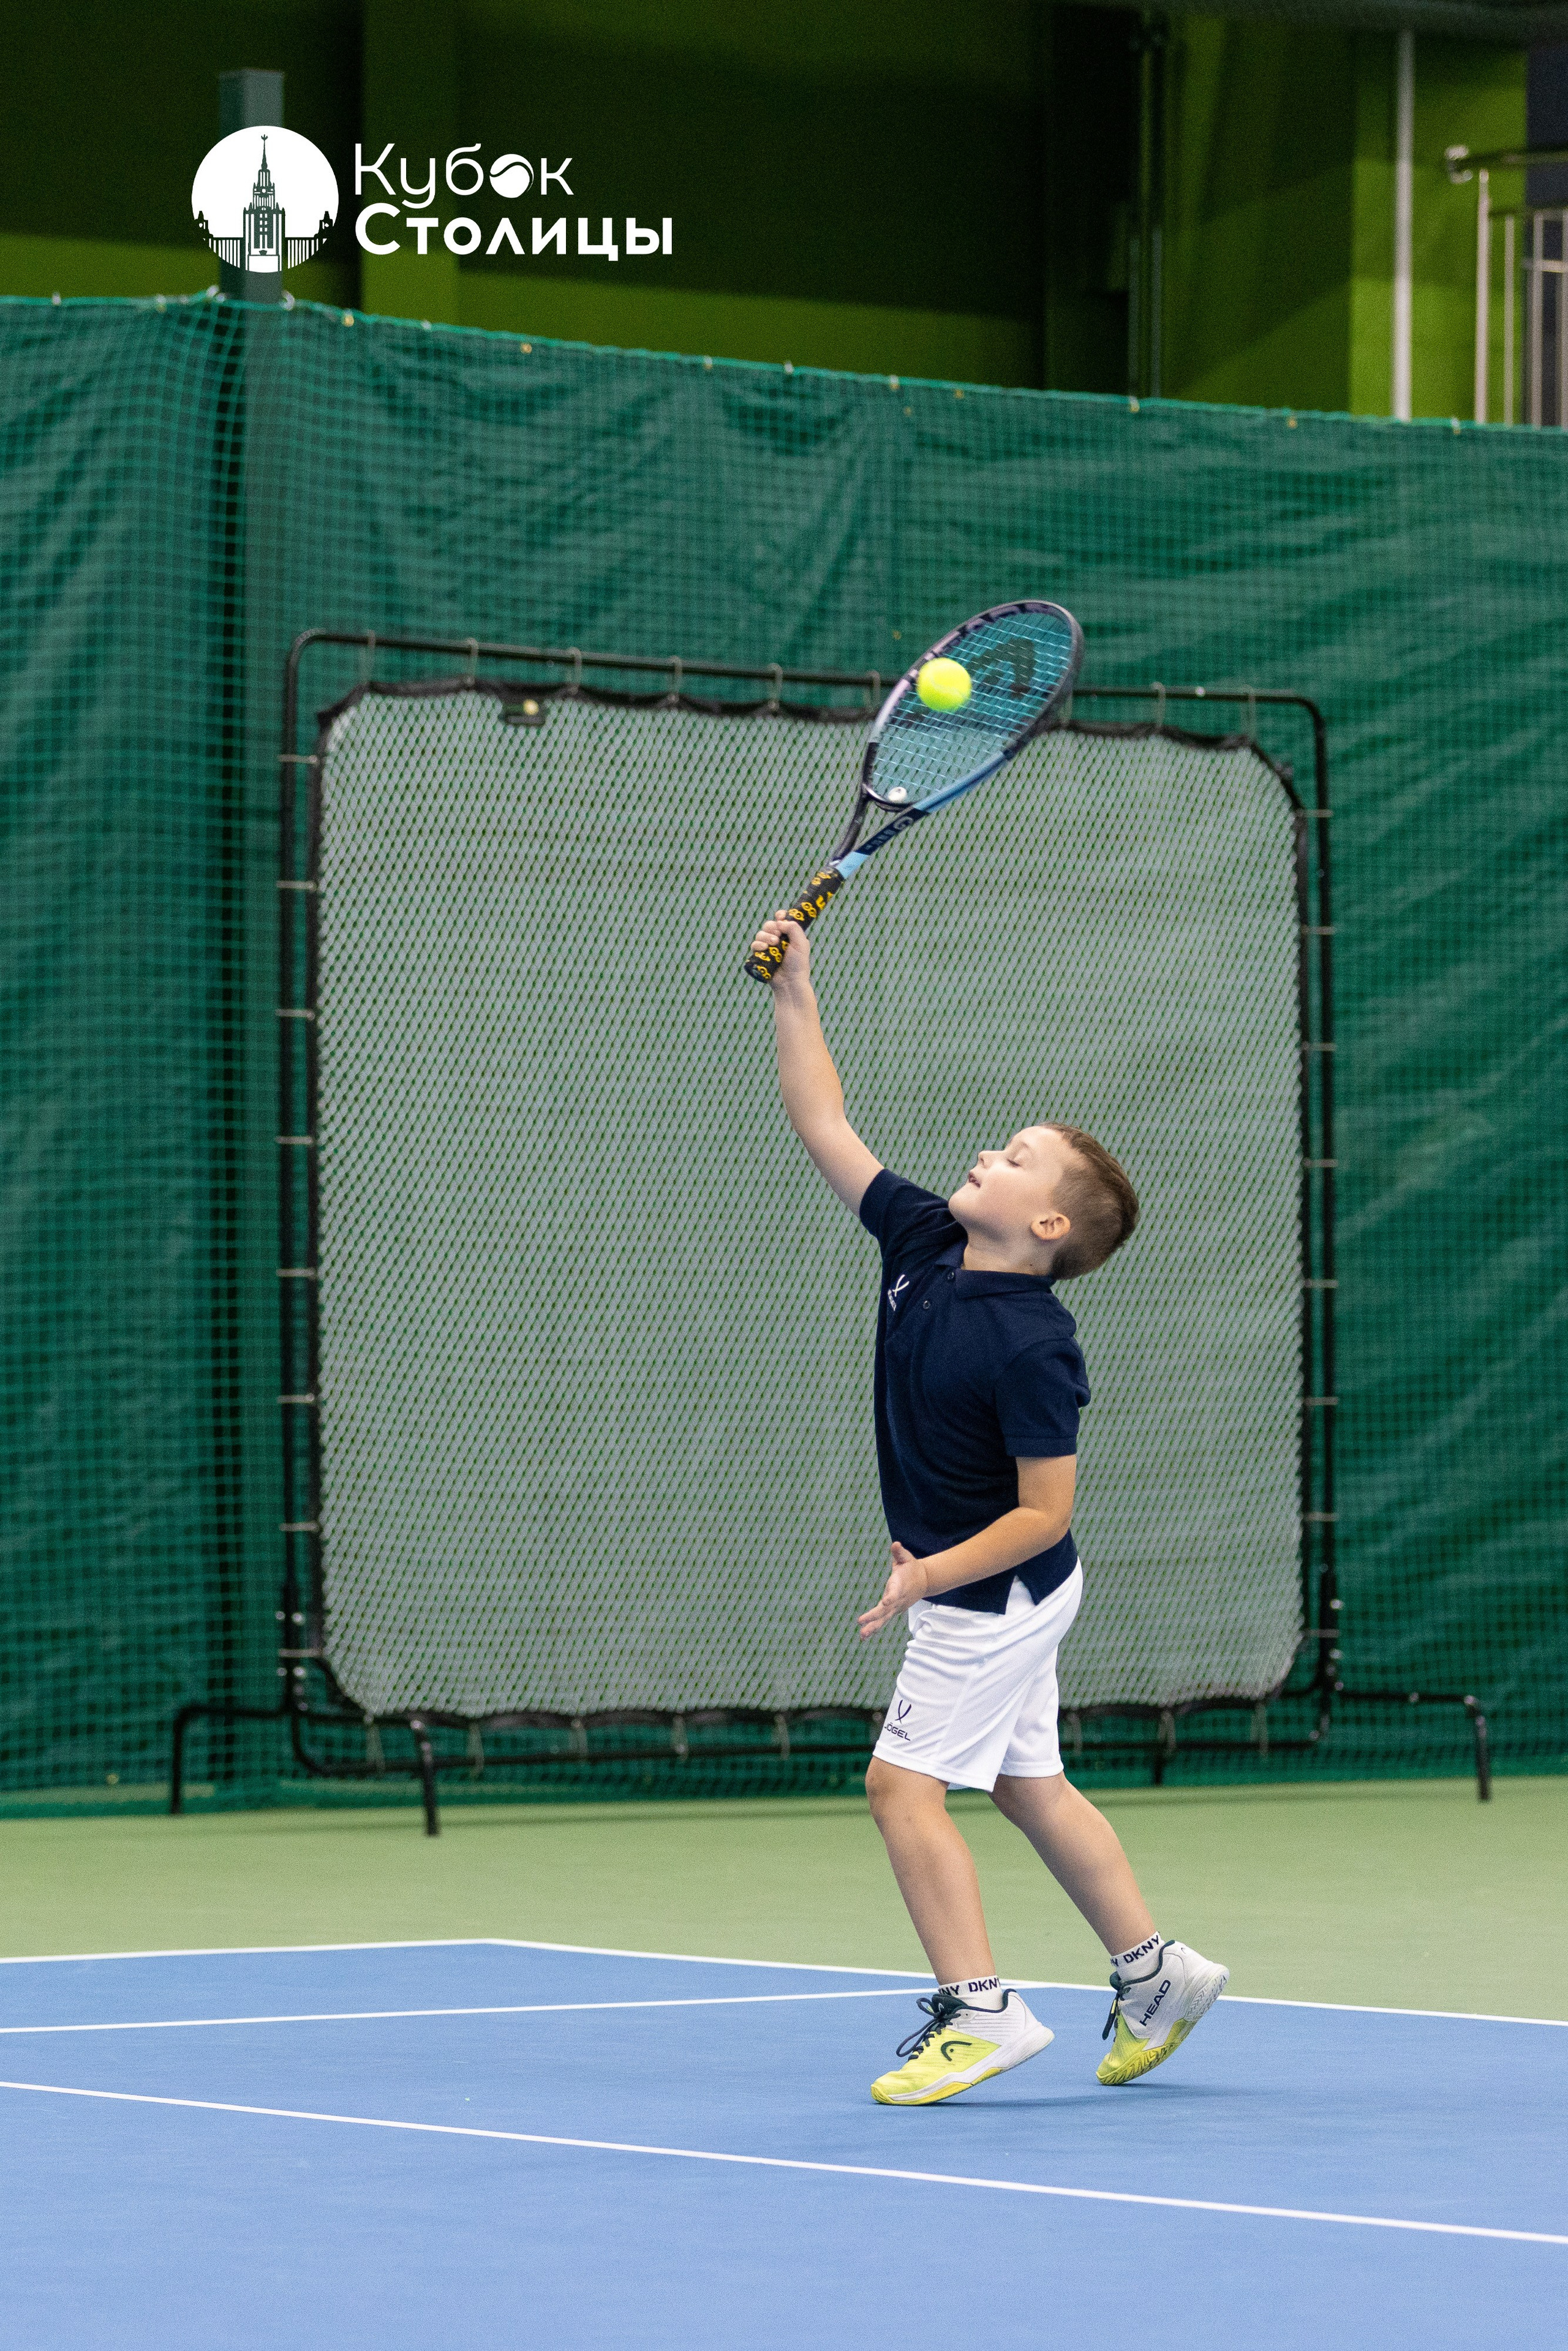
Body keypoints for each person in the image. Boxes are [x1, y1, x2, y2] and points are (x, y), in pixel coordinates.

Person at [750, 908, 1229, 2107]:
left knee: (898, 1784)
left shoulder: (1033, 1346)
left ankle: (979, 2009)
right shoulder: (918, 1238)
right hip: (982, 1582)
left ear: (1050, 1225)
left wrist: (926, 1574)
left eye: (1016, 1157)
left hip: (992, 1583)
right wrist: (791, 988)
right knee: (1022, 1779)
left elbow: (1044, 1511)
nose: (988, 1154)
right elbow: (822, 1119)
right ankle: (1154, 1972)